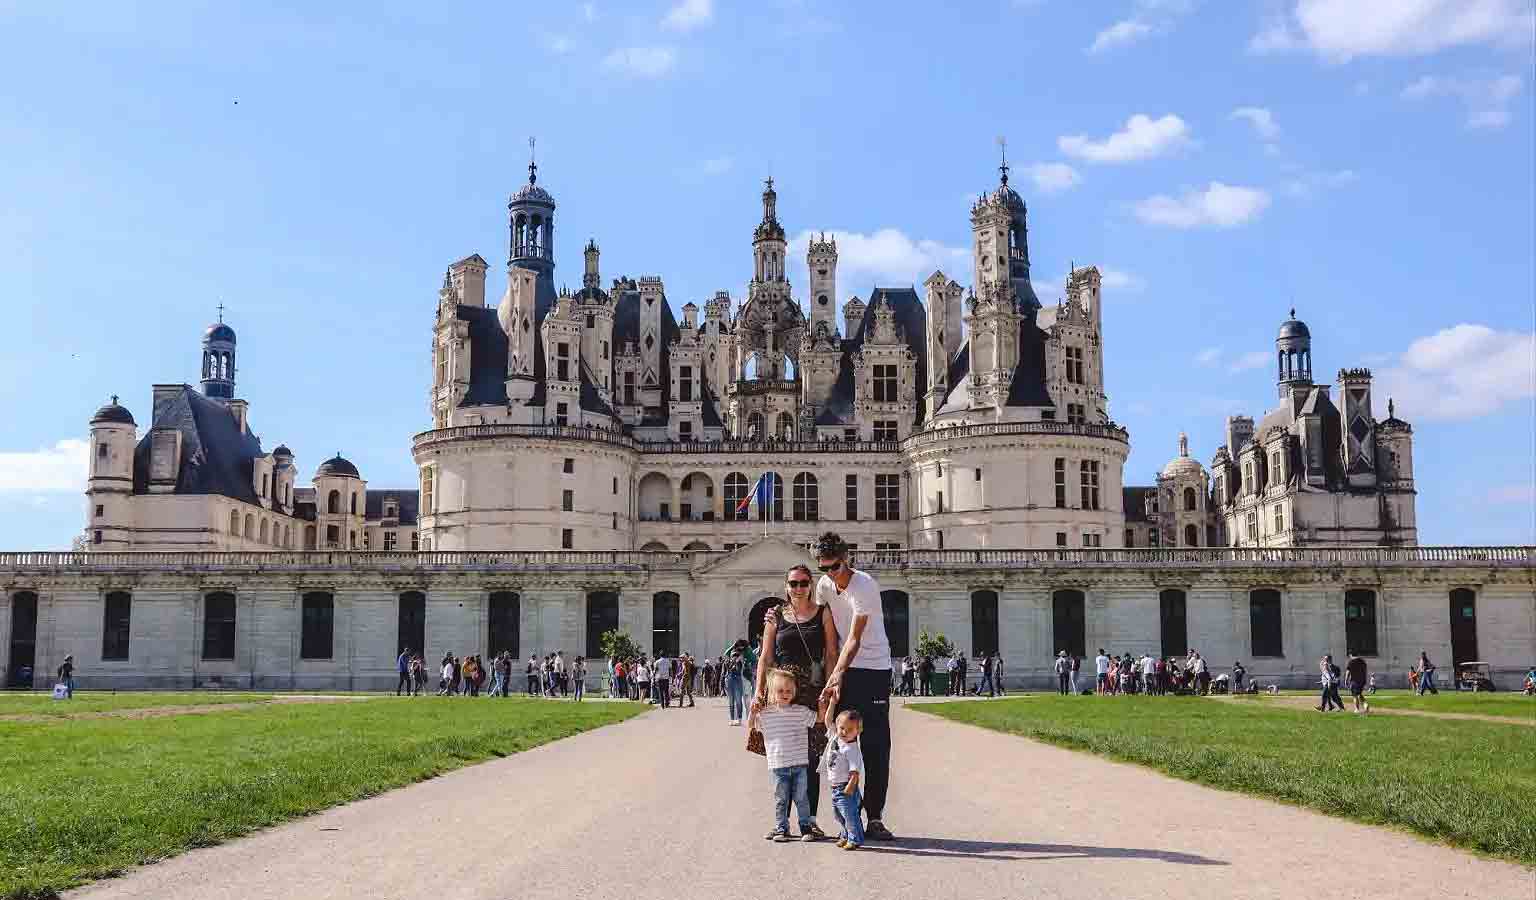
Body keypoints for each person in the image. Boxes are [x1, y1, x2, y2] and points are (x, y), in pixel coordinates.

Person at [815, 531, 896, 842]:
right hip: (844, 669)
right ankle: (849, 816)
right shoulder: (824, 585)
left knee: (876, 745)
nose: (830, 573)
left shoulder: (864, 585)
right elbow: (823, 628)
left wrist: (837, 673)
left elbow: (854, 638)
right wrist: (780, 614)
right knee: (841, 744)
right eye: (823, 568)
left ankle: (874, 817)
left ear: (845, 559)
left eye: (834, 567)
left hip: (873, 668)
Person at [751, 668, 818, 843]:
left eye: (789, 691)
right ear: (772, 692)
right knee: (781, 800)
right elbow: (752, 725)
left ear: (794, 692)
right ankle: (782, 828)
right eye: (780, 690)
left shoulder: (801, 711)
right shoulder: (766, 714)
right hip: (778, 766)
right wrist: (753, 711)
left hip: (799, 764)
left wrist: (826, 703)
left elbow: (818, 719)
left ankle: (805, 827)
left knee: (802, 798)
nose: (785, 694)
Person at [819, 708, 866, 851]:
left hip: (845, 788)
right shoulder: (836, 737)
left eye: (850, 730)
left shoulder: (851, 749)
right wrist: (832, 703)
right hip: (835, 787)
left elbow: (855, 772)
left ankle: (855, 839)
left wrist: (850, 787)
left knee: (850, 815)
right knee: (839, 815)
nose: (845, 732)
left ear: (858, 731)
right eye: (842, 728)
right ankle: (845, 835)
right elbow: (828, 721)